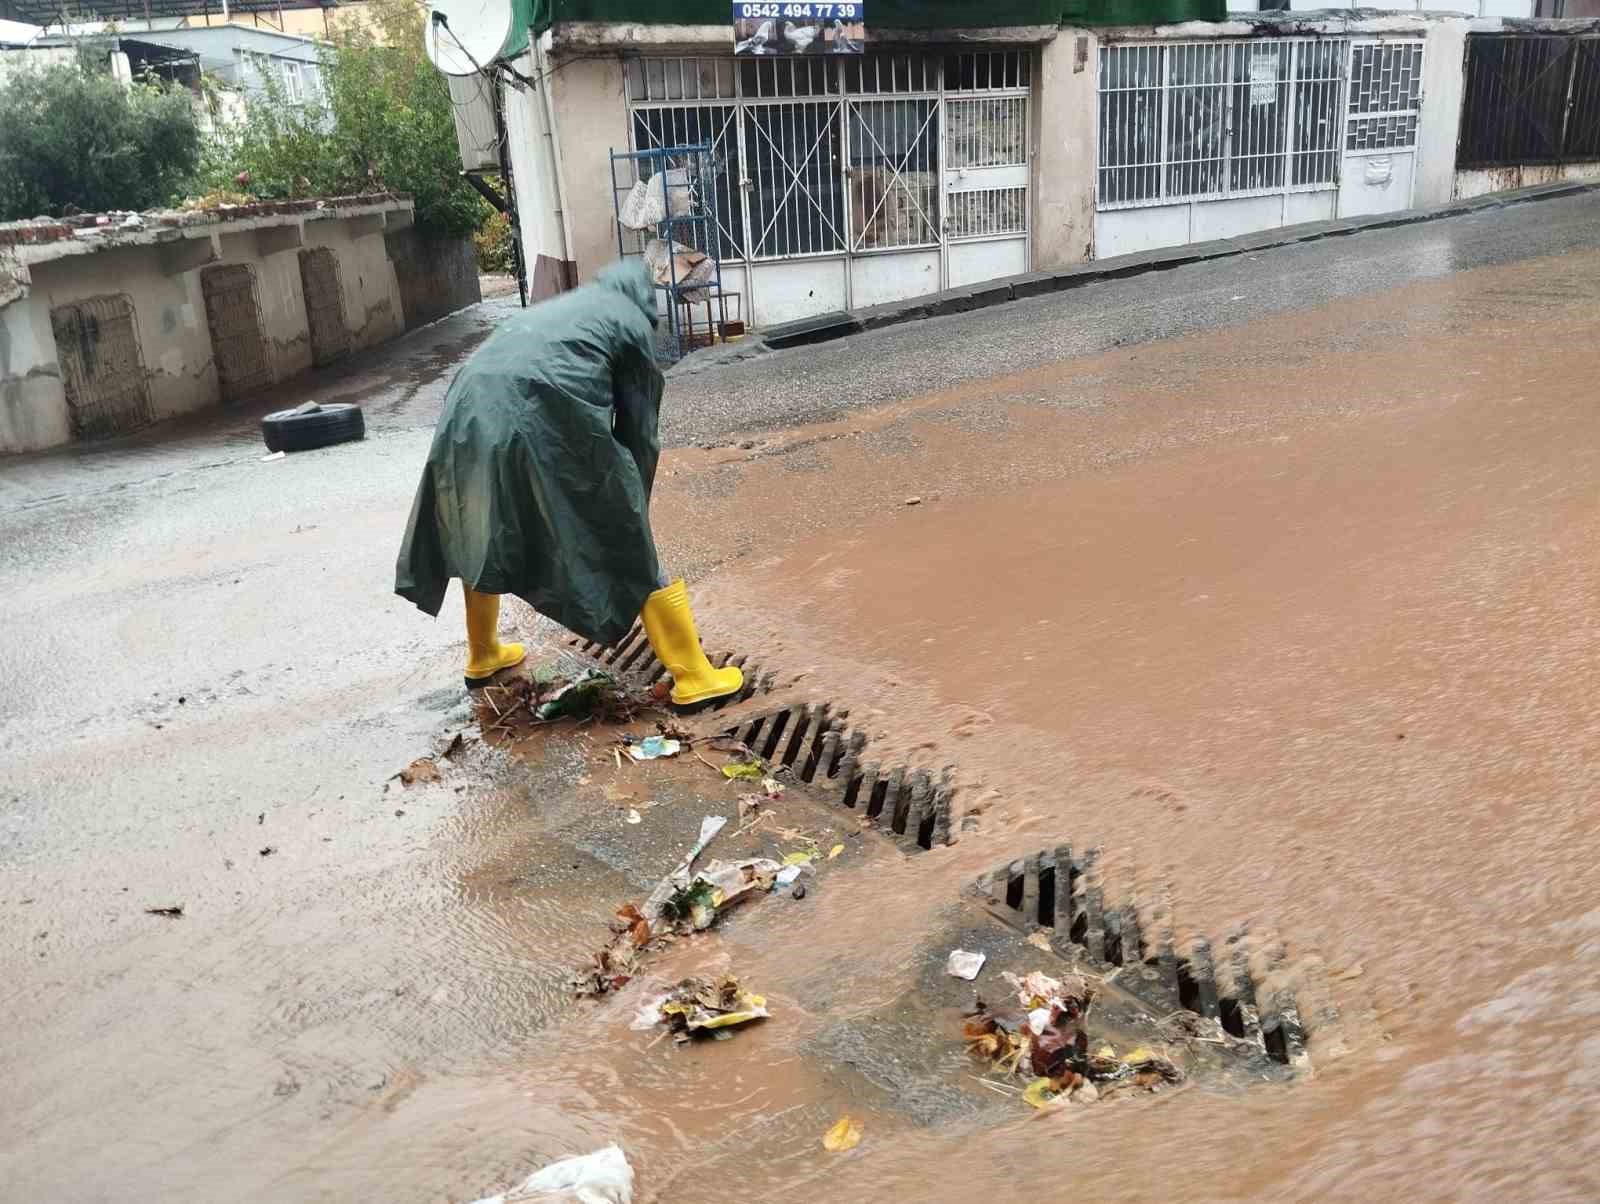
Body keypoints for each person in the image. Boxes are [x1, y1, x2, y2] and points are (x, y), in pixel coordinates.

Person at [394, 261, 742, 707]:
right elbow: (640, 431)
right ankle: (693, 675)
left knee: (478, 523)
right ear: (648, 298)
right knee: (626, 532)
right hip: (537, 405)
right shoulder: (632, 321)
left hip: (465, 406)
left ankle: (483, 655)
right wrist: (631, 511)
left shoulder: (567, 305)